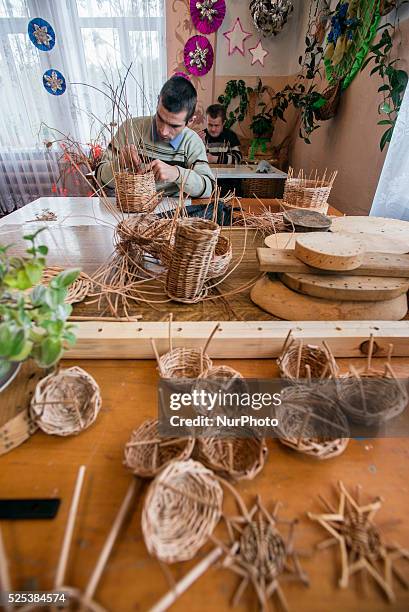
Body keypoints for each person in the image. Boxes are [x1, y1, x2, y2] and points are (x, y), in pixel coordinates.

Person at [95, 76, 215, 199]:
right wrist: (118, 164)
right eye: (160, 118)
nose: (163, 131)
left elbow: (208, 188)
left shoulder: (192, 142)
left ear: (190, 121)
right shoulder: (130, 128)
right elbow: (100, 178)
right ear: (158, 101)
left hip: (173, 214)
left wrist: (177, 174)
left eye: (174, 126)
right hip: (130, 211)